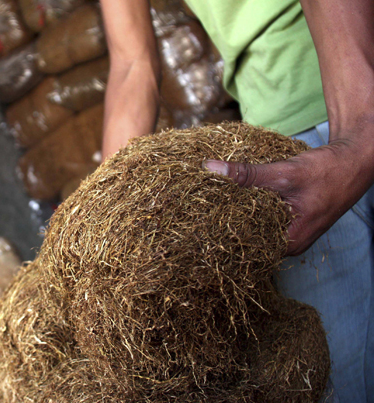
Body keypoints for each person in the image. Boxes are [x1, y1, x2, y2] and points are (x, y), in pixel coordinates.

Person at [100, 0, 373, 401]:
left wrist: (359, 138)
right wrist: (107, 221)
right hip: (284, 132)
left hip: (355, 93)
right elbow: (131, 64)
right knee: (338, 379)